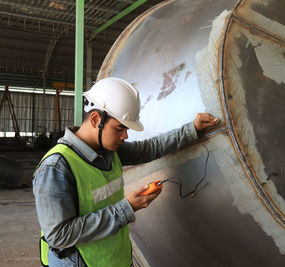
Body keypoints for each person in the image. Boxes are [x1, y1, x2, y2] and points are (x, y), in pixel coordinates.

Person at [33, 77, 219, 267]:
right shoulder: (56, 168)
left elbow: (149, 148)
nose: (125, 136)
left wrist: (192, 129)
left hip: (115, 258)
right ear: (96, 119)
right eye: (120, 128)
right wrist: (126, 208)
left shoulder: (108, 151)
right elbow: (59, 236)